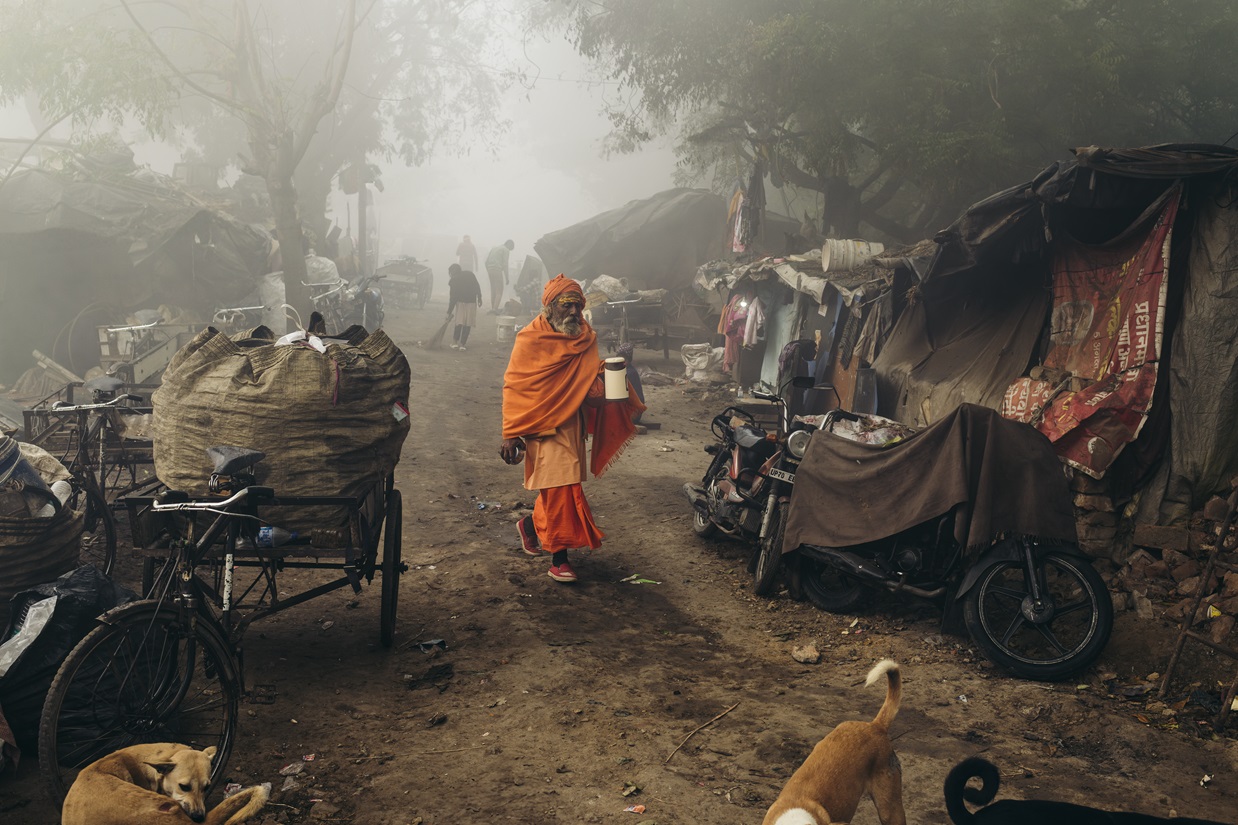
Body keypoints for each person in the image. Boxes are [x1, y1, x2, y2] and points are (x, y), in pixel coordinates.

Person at [499, 274, 645, 583]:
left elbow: (586, 386)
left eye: (579, 306)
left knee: (558, 488)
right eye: (568, 306)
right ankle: (559, 558)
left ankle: (529, 526)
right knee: (564, 488)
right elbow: (515, 386)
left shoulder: (584, 337)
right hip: (541, 427)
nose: (575, 313)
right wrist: (511, 432)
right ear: (550, 307)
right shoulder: (530, 339)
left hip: (572, 425)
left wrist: (608, 381)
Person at [446, 263, 483, 350]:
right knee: (467, 323)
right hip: (471, 302)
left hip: (461, 303)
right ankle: (462, 344)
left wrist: (449, 312)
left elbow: (453, 298)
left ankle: (454, 342)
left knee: (459, 322)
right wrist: (480, 298)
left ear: (451, 272)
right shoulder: (470, 274)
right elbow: (477, 287)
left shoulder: (453, 280)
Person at [485, 239, 514, 313]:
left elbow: (486, 262)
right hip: (497, 269)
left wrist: (489, 270)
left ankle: (493, 308)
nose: (510, 251)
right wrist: (507, 278)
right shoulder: (506, 250)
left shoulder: (494, 248)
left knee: (493, 290)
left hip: (490, 269)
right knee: (499, 291)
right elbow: (505, 264)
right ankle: (495, 309)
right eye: (511, 248)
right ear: (509, 245)